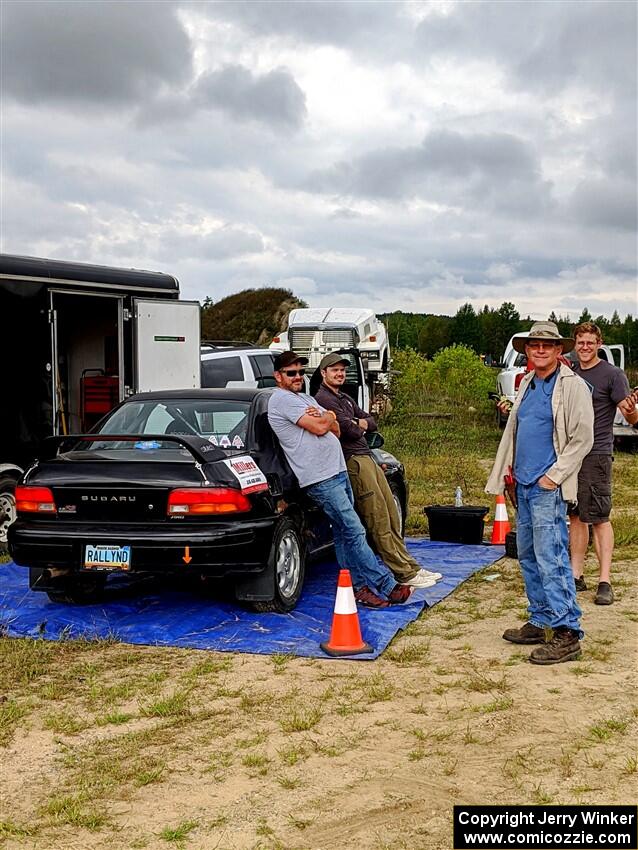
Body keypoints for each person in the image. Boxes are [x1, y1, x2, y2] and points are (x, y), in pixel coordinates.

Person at [267, 350, 412, 609]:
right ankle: (387, 586)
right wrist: (329, 417)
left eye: (301, 372)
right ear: (278, 376)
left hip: (337, 470)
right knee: (355, 529)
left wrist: (329, 417)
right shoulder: (282, 400)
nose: (298, 376)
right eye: (291, 373)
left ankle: (359, 588)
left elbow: (336, 428)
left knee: (345, 534)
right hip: (320, 478)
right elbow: (324, 427)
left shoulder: (304, 397)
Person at [486, 321, 594, 665]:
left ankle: (567, 633)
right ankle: (541, 617)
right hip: (524, 484)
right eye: (534, 345)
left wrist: (553, 477)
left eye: (547, 345)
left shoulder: (573, 387)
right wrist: (510, 472)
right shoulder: (529, 383)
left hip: (547, 487)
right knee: (529, 555)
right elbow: (518, 432)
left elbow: (582, 439)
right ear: (527, 351)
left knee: (553, 557)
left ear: (559, 350)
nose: (540, 350)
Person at [314, 352, 442, 589]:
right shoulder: (324, 400)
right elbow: (348, 430)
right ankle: (402, 573)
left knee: (391, 514)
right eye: (334, 370)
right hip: (352, 460)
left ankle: (410, 566)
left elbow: (370, 421)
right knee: (377, 518)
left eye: (342, 370)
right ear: (323, 373)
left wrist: (358, 422)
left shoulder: (345, 398)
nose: (340, 374)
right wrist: (357, 424)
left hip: (367, 457)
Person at [569, 323, 638, 605]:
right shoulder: (567, 371)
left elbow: (631, 418)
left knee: (599, 517)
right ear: (575, 344)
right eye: (581, 342)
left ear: (600, 344)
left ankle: (605, 581)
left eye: (590, 343)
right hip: (567, 455)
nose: (585, 348)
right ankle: (576, 575)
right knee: (574, 516)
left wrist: (632, 411)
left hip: (596, 453)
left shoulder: (613, 375)